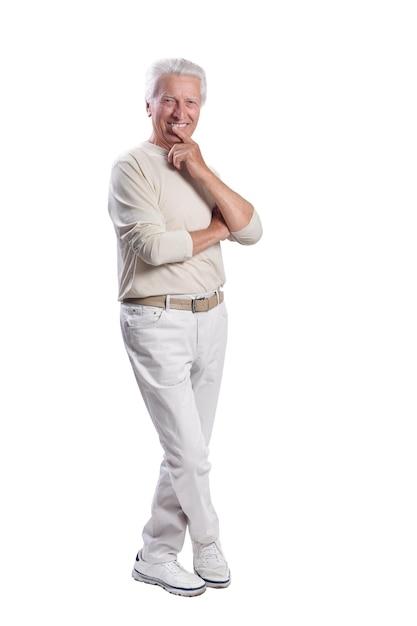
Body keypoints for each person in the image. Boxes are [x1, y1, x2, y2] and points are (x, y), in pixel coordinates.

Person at [108, 57, 263, 597]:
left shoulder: (199, 165)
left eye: (190, 102)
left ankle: (154, 554)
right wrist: (218, 231)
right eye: (168, 100)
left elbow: (253, 228)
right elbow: (153, 248)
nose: (179, 112)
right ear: (147, 104)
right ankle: (209, 539)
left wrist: (200, 171)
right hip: (157, 319)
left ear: (201, 109)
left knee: (186, 449)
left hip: (212, 317)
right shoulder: (131, 167)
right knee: (191, 455)